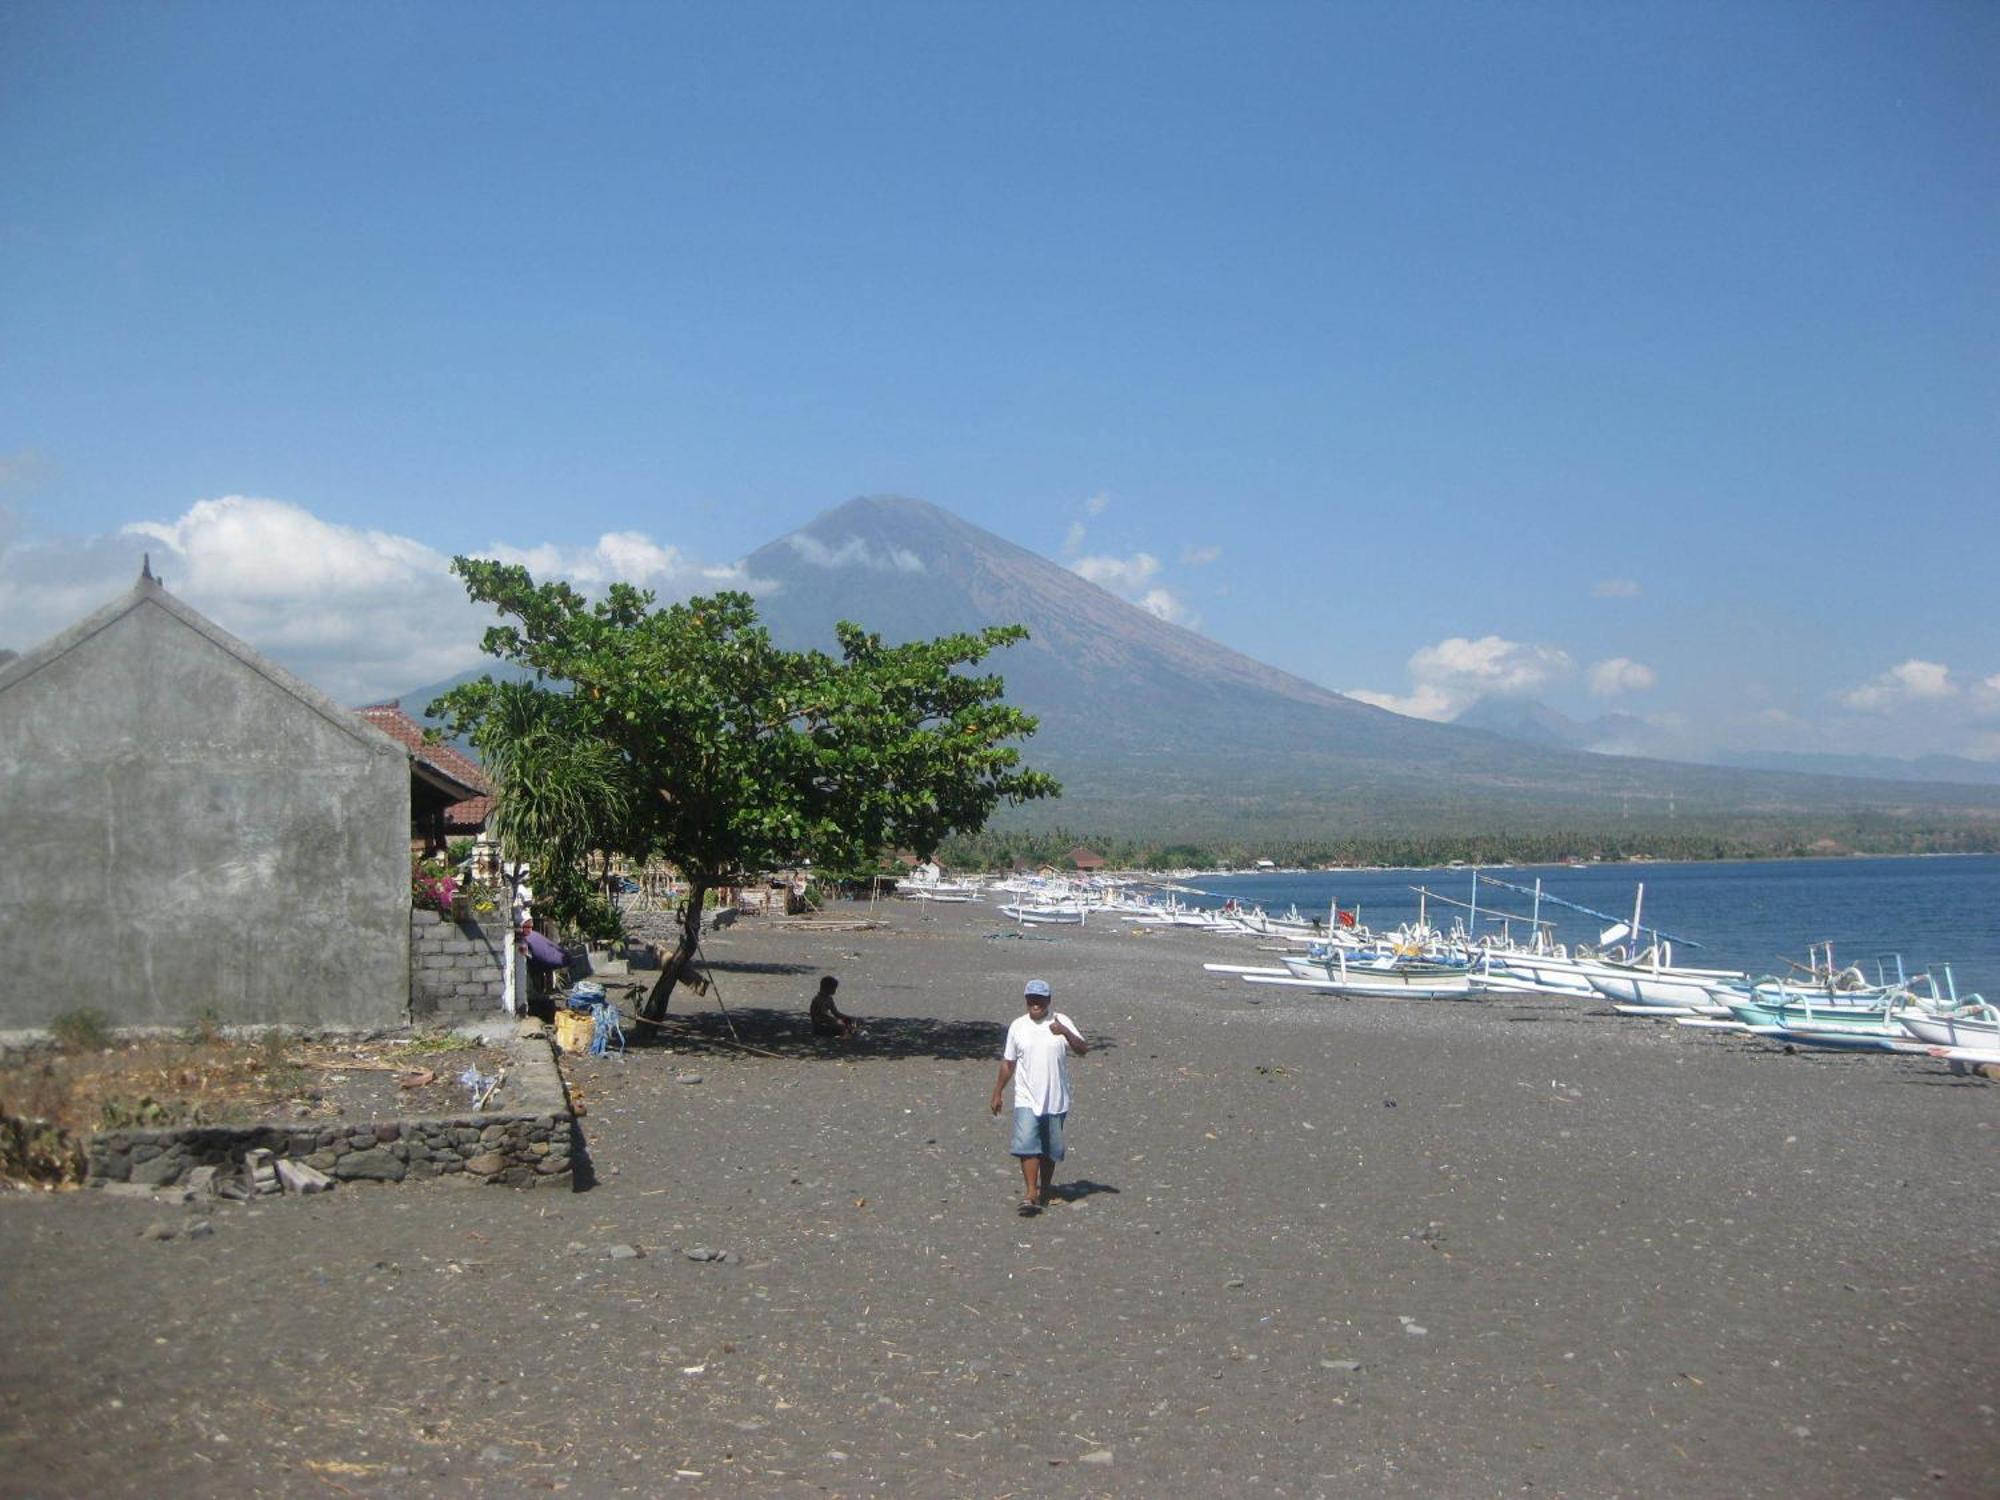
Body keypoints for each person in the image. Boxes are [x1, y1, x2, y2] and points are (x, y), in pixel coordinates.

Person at [989, 978, 1087, 1216]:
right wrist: (998, 1092)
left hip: (1056, 1098)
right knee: (1026, 1145)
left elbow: (1083, 1049)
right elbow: (1008, 1062)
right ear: (1026, 1000)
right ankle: (1031, 1193)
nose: (1035, 1004)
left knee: (1049, 1148)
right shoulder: (1018, 1026)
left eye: (1040, 999)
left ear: (1049, 1000)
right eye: (1031, 999)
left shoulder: (1061, 1020)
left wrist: (1064, 1032)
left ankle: (1046, 1189)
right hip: (1026, 1097)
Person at [808, 975, 855, 1040]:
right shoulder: (818, 1000)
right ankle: (844, 1036)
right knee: (841, 1026)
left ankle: (848, 1032)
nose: (835, 990)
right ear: (827, 988)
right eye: (834, 988)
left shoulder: (829, 999)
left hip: (828, 1021)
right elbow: (822, 1015)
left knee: (848, 1022)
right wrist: (836, 1021)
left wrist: (847, 1018)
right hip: (819, 1025)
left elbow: (836, 1013)